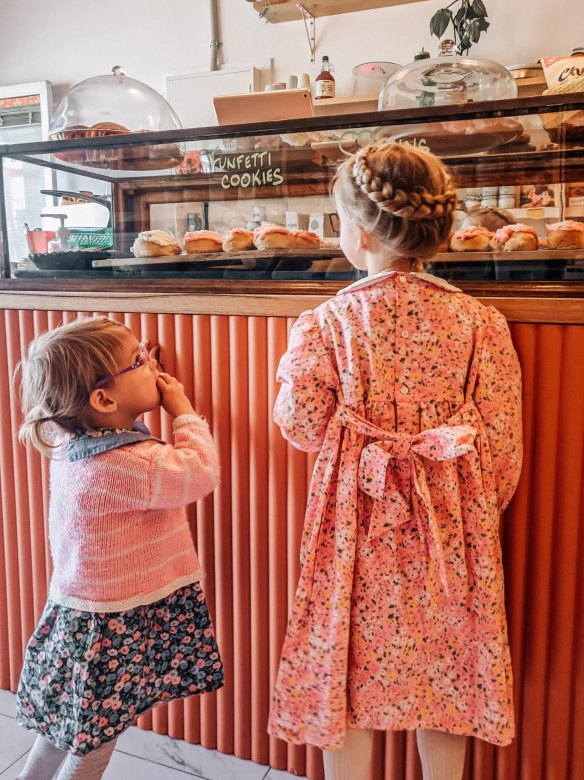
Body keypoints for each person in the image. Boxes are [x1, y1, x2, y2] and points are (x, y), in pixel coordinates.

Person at [268, 143, 522, 780]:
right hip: (451, 526)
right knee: (447, 665)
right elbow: (503, 453)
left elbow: (298, 422)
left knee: (346, 664)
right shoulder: (480, 322)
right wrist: (470, 506)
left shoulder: (327, 322)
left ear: (356, 231)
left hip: (356, 517)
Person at [14, 317, 223, 780]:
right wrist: (184, 411)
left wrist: (134, 374)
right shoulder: (127, 466)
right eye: (139, 362)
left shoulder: (76, 442)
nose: (149, 365)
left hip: (83, 617)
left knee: (69, 725)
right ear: (104, 399)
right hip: (114, 626)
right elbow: (200, 472)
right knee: (96, 743)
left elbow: (122, 422)